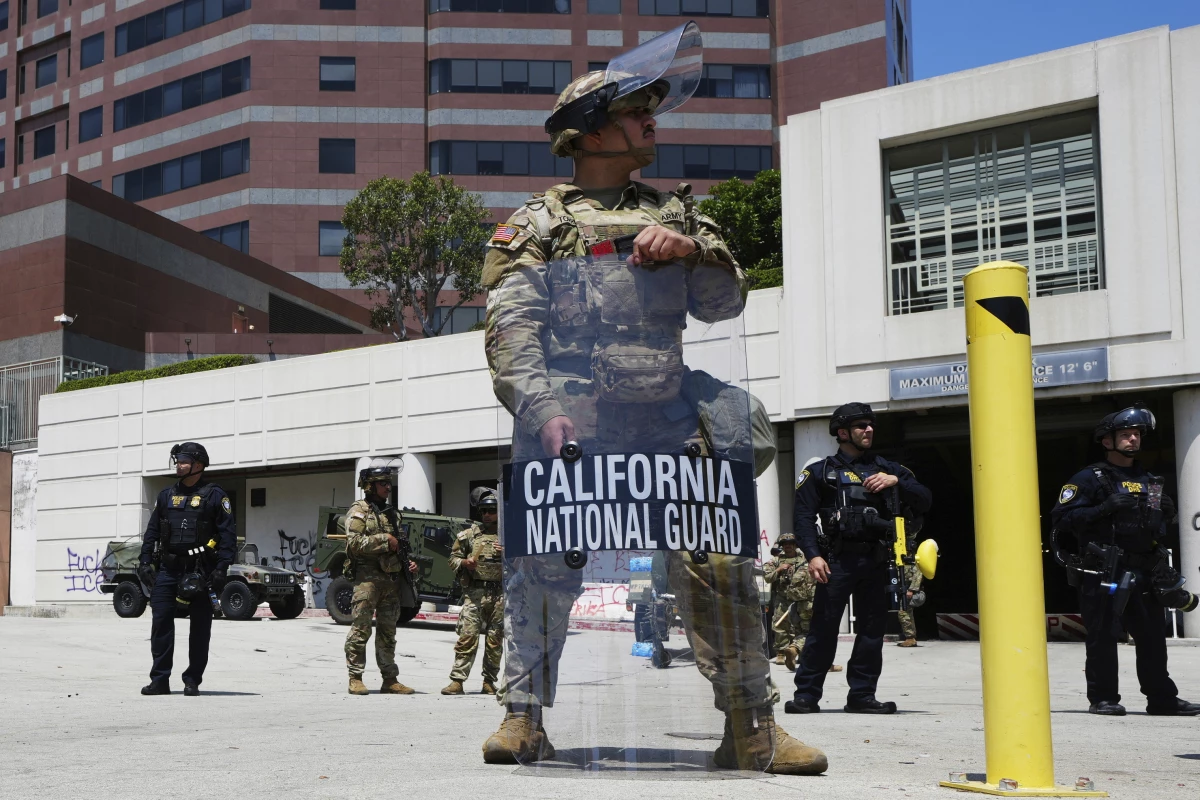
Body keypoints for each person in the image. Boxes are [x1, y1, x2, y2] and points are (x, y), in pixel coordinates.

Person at [482, 53, 827, 775]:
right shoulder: (536, 225)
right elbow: (511, 328)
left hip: (667, 414)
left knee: (715, 560)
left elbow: (724, 305)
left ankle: (751, 725)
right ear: (589, 131)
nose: (650, 122)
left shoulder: (675, 213)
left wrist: (694, 249)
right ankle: (525, 716)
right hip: (574, 420)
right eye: (635, 112)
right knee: (544, 561)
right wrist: (541, 409)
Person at [1050, 404, 1200, 717]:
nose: (1132, 439)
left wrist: (1162, 517)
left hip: (1145, 569)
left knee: (1153, 639)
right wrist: (1102, 509)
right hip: (1105, 569)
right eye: (1125, 435)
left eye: (1136, 435)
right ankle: (1103, 698)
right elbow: (1062, 519)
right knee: (1103, 636)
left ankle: (1161, 699)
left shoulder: (1151, 481)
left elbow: (1162, 519)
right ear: (1107, 441)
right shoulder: (1090, 478)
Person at [785, 403, 932, 715]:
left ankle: (862, 696)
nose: (869, 430)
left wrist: (896, 482)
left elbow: (925, 499)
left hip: (878, 562)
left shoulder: (889, 468)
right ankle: (806, 696)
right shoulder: (819, 472)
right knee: (822, 630)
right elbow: (802, 518)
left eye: (870, 425)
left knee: (871, 631)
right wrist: (812, 556)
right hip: (836, 561)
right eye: (861, 426)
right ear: (842, 432)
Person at [137, 442, 236, 696]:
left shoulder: (215, 496)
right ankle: (160, 680)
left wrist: (221, 569)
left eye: (183, 460)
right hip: (168, 569)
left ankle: (192, 680)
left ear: (198, 465)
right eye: (177, 460)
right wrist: (145, 560)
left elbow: (227, 536)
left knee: (200, 627)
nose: (178, 465)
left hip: (201, 570)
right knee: (160, 622)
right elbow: (152, 532)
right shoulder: (166, 495)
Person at [344, 466, 420, 696]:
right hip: (367, 581)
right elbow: (354, 543)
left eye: (389, 483)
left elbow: (401, 547)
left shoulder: (391, 514)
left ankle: (390, 679)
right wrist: (385, 539)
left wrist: (409, 564)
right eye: (383, 483)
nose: (388, 487)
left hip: (391, 581)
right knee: (361, 628)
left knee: (388, 632)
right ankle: (355, 677)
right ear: (369, 486)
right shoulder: (359, 511)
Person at [442, 488, 505, 696]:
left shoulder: (509, 536)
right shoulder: (469, 535)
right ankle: (457, 681)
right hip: (475, 594)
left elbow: (526, 564)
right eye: (484, 510)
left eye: (492, 510)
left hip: (500, 596)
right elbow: (452, 559)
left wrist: (508, 553)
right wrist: (464, 563)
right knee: (467, 637)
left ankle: (489, 681)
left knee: (495, 641)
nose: (487, 514)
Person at [896, 563, 923, 647]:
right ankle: (910, 638)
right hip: (902, 591)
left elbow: (918, 574)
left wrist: (911, 589)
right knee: (906, 612)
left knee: (903, 612)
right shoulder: (897, 560)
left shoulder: (913, 561)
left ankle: (910, 637)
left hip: (911, 591)